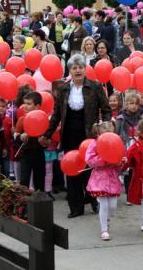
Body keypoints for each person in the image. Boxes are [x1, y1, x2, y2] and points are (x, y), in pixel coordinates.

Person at [44, 54, 112, 218]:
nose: (78, 70)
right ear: (70, 71)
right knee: (73, 170)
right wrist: (47, 133)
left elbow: (106, 109)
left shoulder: (95, 87)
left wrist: (105, 126)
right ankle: (76, 207)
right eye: (74, 68)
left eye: (80, 67)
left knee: (90, 169)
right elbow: (56, 115)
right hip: (69, 135)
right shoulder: (63, 89)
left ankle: (95, 202)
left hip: (88, 134)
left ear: (85, 69)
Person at [85, 121, 125, 241]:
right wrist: (104, 160)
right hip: (99, 178)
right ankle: (104, 229)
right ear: (99, 134)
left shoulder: (116, 143)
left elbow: (120, 160)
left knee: (112, 206)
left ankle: (107, 220)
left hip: (112, 178)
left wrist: (121, 163)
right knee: (104, 204)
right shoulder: (94, 144)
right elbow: (89, 159)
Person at [14, 91, 49, 191]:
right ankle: (22, 203)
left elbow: (48, 138)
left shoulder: (43, 119)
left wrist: (44, 140)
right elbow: (15, 136)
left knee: (39, 179)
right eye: (24, 103)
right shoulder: (22, 119)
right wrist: (21, 136)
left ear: (37, 106)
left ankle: (40, 200)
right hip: (25, 154)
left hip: (39, 153)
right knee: (24, 180)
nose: (25, 106)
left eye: (28, 104)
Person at [116, 92, 143, 195]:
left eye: (136, 104)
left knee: (137, 169)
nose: (134, 106)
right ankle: (129, 193)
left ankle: (137, 191)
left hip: (138, 146)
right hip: (126, 146)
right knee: (128, 170)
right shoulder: (121, 118)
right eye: (131, 103)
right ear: (126, 104)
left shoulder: (141, 118)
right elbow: (116, 134)